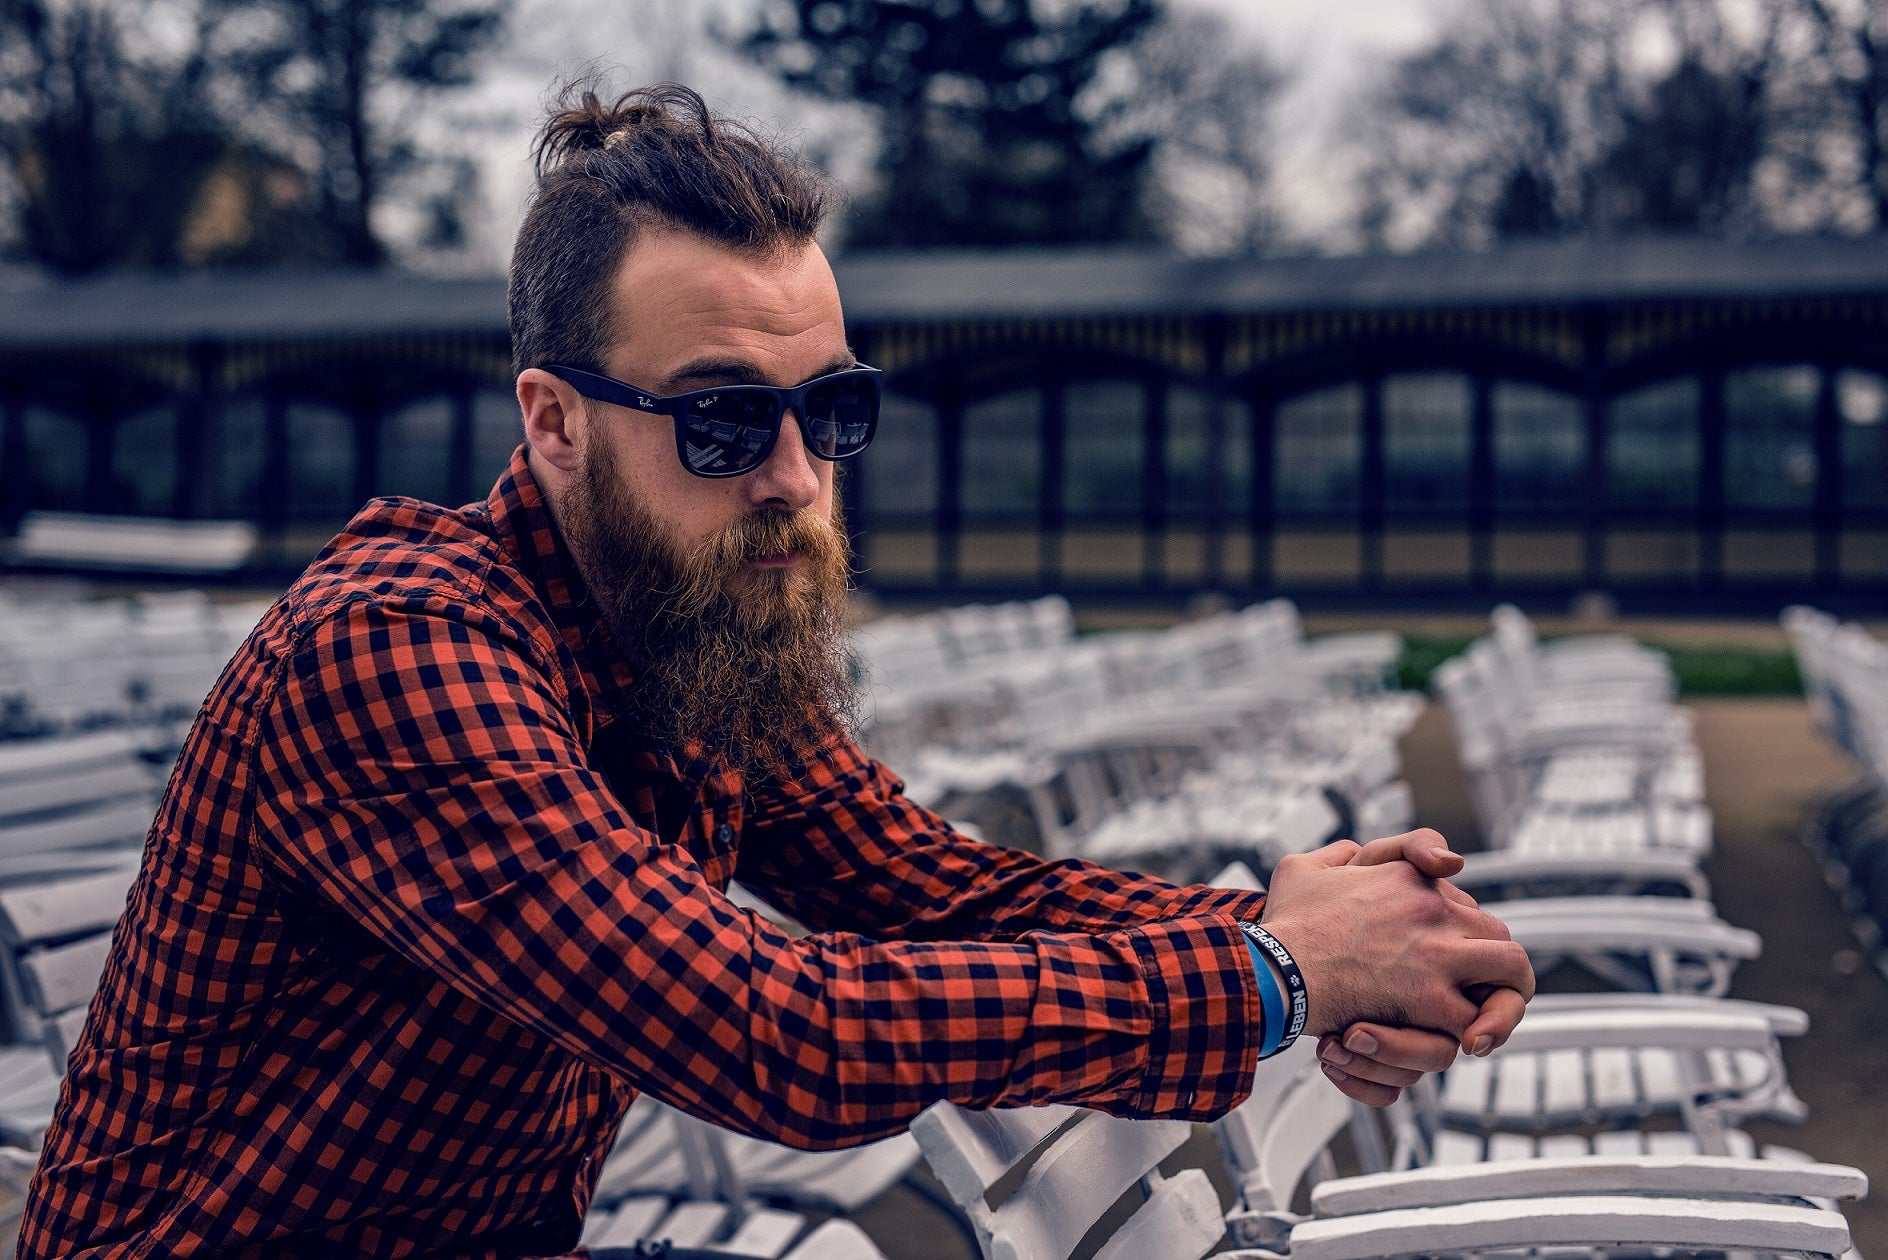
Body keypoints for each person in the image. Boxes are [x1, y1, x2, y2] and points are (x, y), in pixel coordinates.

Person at [18, 82, 1531, 1259]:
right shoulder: (401, 645)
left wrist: (1319, 928)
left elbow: (936, 891)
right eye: (724, 421)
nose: (796, 481)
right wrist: (1277, 975)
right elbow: (774, 1031)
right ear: (553, 426)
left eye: (834, 413)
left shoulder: (691, 634)